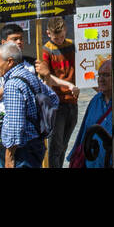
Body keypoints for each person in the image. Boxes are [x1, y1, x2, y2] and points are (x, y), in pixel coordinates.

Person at [0, 41, 58, 168]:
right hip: (36, 143)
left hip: (22, 151)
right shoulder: (28, 75)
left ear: (9, 61)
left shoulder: (12, 84)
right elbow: (53, 99)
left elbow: (16, 124)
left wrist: (9, 156)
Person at [0, 23, 28, 167]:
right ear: (3, 43)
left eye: (21, 38)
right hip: (2, 126)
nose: (19, 42)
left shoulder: (32, 64)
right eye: (14, 39)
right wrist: (8, 88)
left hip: (28, 129)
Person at [37, 16, 80, 168]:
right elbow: (48, 78)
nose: (60, 40)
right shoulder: (47, 49)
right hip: (57, 104)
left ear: (66, 31)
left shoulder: (72, 45)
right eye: (56, 38)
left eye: (62, 36)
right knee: (55, 147)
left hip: (72, 101)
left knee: (64, 144)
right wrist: (68, 85)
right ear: (48, 33)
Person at [69, 58, 113, 168]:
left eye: (106, 75)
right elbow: (83, 134)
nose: (101, 79)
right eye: (100, 75)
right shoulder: (95, 100)